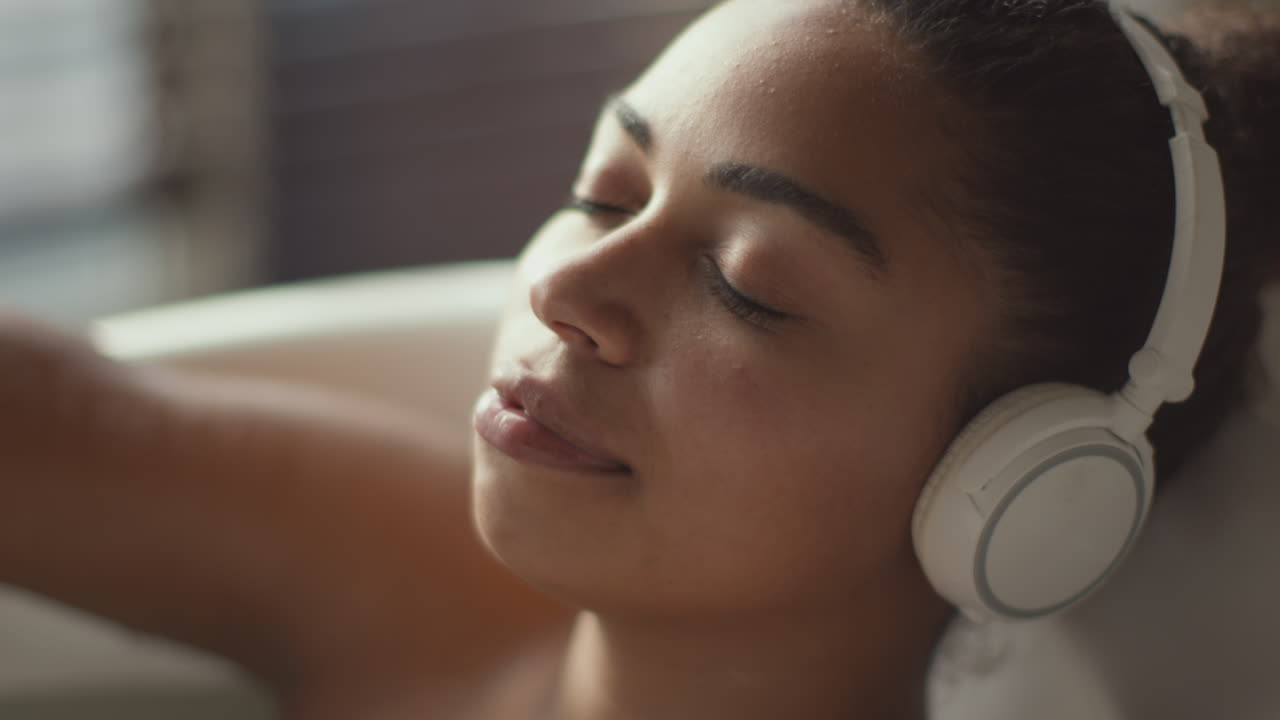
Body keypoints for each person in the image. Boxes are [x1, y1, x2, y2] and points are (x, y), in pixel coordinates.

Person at [0, 0, 1276, 718]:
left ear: (1022, 484)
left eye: (745, 286)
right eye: (607, 194)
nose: (561, 286)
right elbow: (56, 421)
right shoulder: (424, 592)